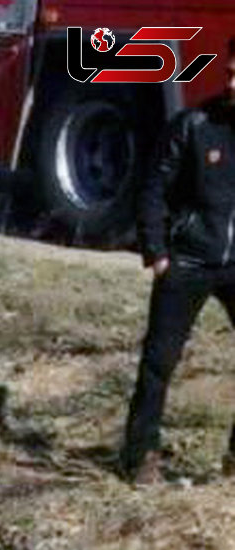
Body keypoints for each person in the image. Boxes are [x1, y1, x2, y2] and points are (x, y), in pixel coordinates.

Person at [123, 45, 235, 484]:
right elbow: (152, 190)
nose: (231, 84)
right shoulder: (194, 126)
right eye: (229, 73)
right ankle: (139, 457)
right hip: (187, 262)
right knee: (158, 362)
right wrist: (158, 254)